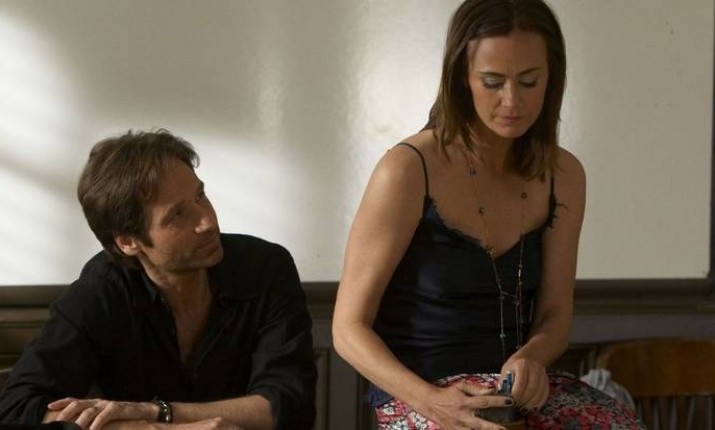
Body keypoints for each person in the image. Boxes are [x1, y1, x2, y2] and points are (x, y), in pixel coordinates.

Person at [332, 0, 644, 429]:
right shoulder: (407, 168)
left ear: (552, 78)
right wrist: (432, 401)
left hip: (516, 396)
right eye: (493, 82)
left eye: (529, 81)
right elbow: (348, 329)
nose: (512, 101)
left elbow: (554, 315)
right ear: (462, 78)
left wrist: (531, 357)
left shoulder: (565, 175)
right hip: (421, 393)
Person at [0, 130, 317, 430]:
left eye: (200, 195)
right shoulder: (99, 294)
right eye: (177, 215)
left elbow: (290, 404)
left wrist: (157, 412)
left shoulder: (266, 267)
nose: (208, 221)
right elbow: (16, 409)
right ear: (128, 242)